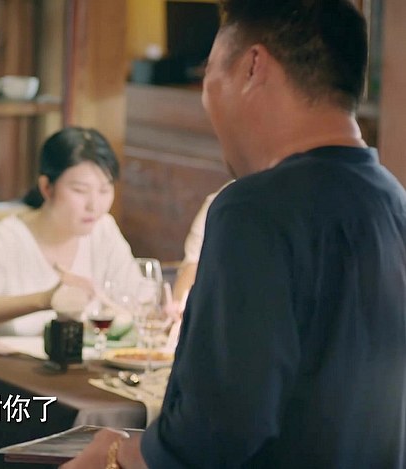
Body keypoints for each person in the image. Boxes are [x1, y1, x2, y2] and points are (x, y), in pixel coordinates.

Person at [63, 0, 406, 467]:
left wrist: (117, 453)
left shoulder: (254, 209)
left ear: (252, 66)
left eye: (209, 72)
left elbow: (215, 429)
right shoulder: (392, 200)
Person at [0, 127, 145, 343]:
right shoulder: (6, 238)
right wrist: (45, 300)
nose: (94, 205)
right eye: (80, 190)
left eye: (104, 190)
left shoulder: (103, 230)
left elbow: (138, 298)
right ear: (47, 187)